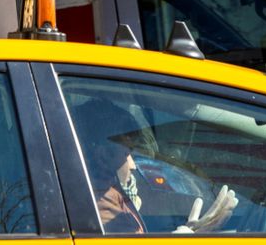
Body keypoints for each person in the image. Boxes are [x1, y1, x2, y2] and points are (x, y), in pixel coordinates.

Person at [73, 98, 238, 234]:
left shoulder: (98, 195)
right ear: (103, 155)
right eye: (126, 154)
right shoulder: (104, 210)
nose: (133, 165)